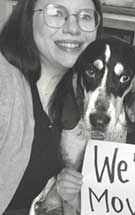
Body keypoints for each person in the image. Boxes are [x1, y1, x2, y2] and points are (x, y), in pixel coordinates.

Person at [0, 0, 102, 213]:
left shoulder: (82, 97)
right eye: (56, 13)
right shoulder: (4, 83)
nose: (73, 28)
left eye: (85, 16)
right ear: (28, 19)